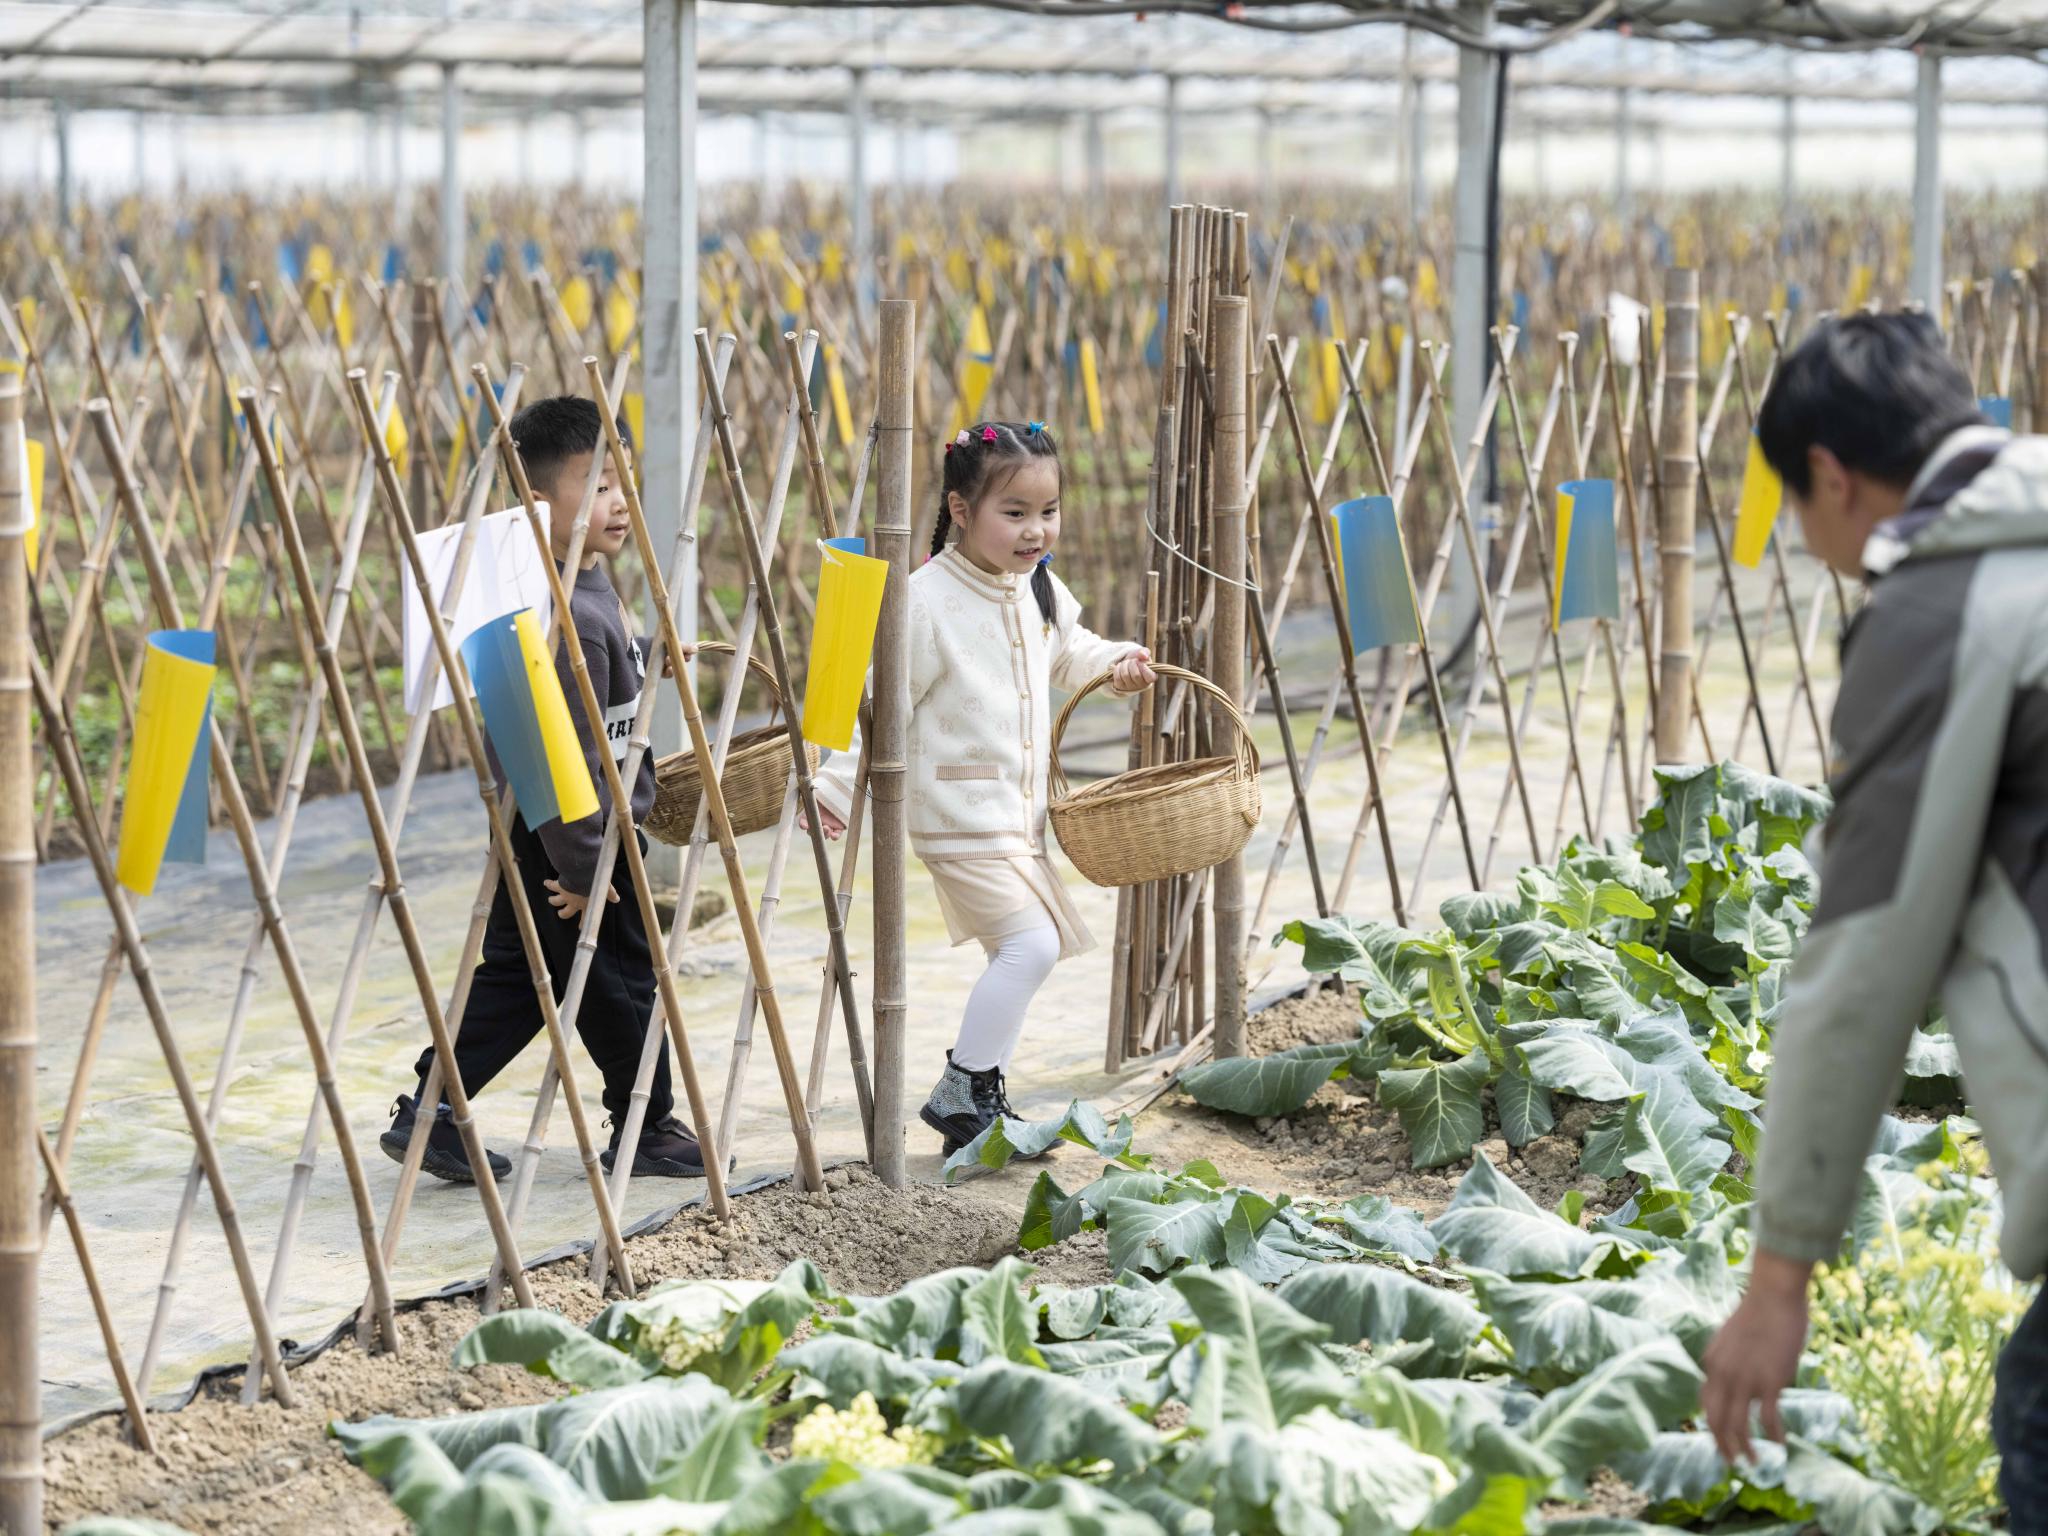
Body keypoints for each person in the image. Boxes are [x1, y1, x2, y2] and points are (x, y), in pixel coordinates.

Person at [1700, 312, 2048, 1520]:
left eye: (1796, 509)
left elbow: (1863, 954)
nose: (1810, 543)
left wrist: (1777, 1274)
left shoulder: (1941, 609)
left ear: (1831, 477)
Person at [803, 420, 1156, 1154]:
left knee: (1029, 946)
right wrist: (836, 789)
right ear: (961, 511)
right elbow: (881, 701)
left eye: (1048, 511)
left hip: (1013, 816)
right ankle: (962, 1090)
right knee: (1031, 944)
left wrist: (1119, 662)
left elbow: (1073, 654)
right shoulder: (925, 601)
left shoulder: (1038, 586)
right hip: (958, 812)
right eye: (1015, 512)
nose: (1035, 530)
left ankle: (978, 1096)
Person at [381, 395, 708, 1183]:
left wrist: (645, 656)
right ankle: (648, 1125)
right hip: (577, 832)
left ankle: (431, 1111)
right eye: (596, 486)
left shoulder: (582, 590)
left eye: (622, 481)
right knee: (621, 979)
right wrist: (589, 867)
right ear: (536, 502)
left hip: (551, 828)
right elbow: (559, 755)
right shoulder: (566, 618)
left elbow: (591, 701)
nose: (619, 501)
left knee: (517, 978)